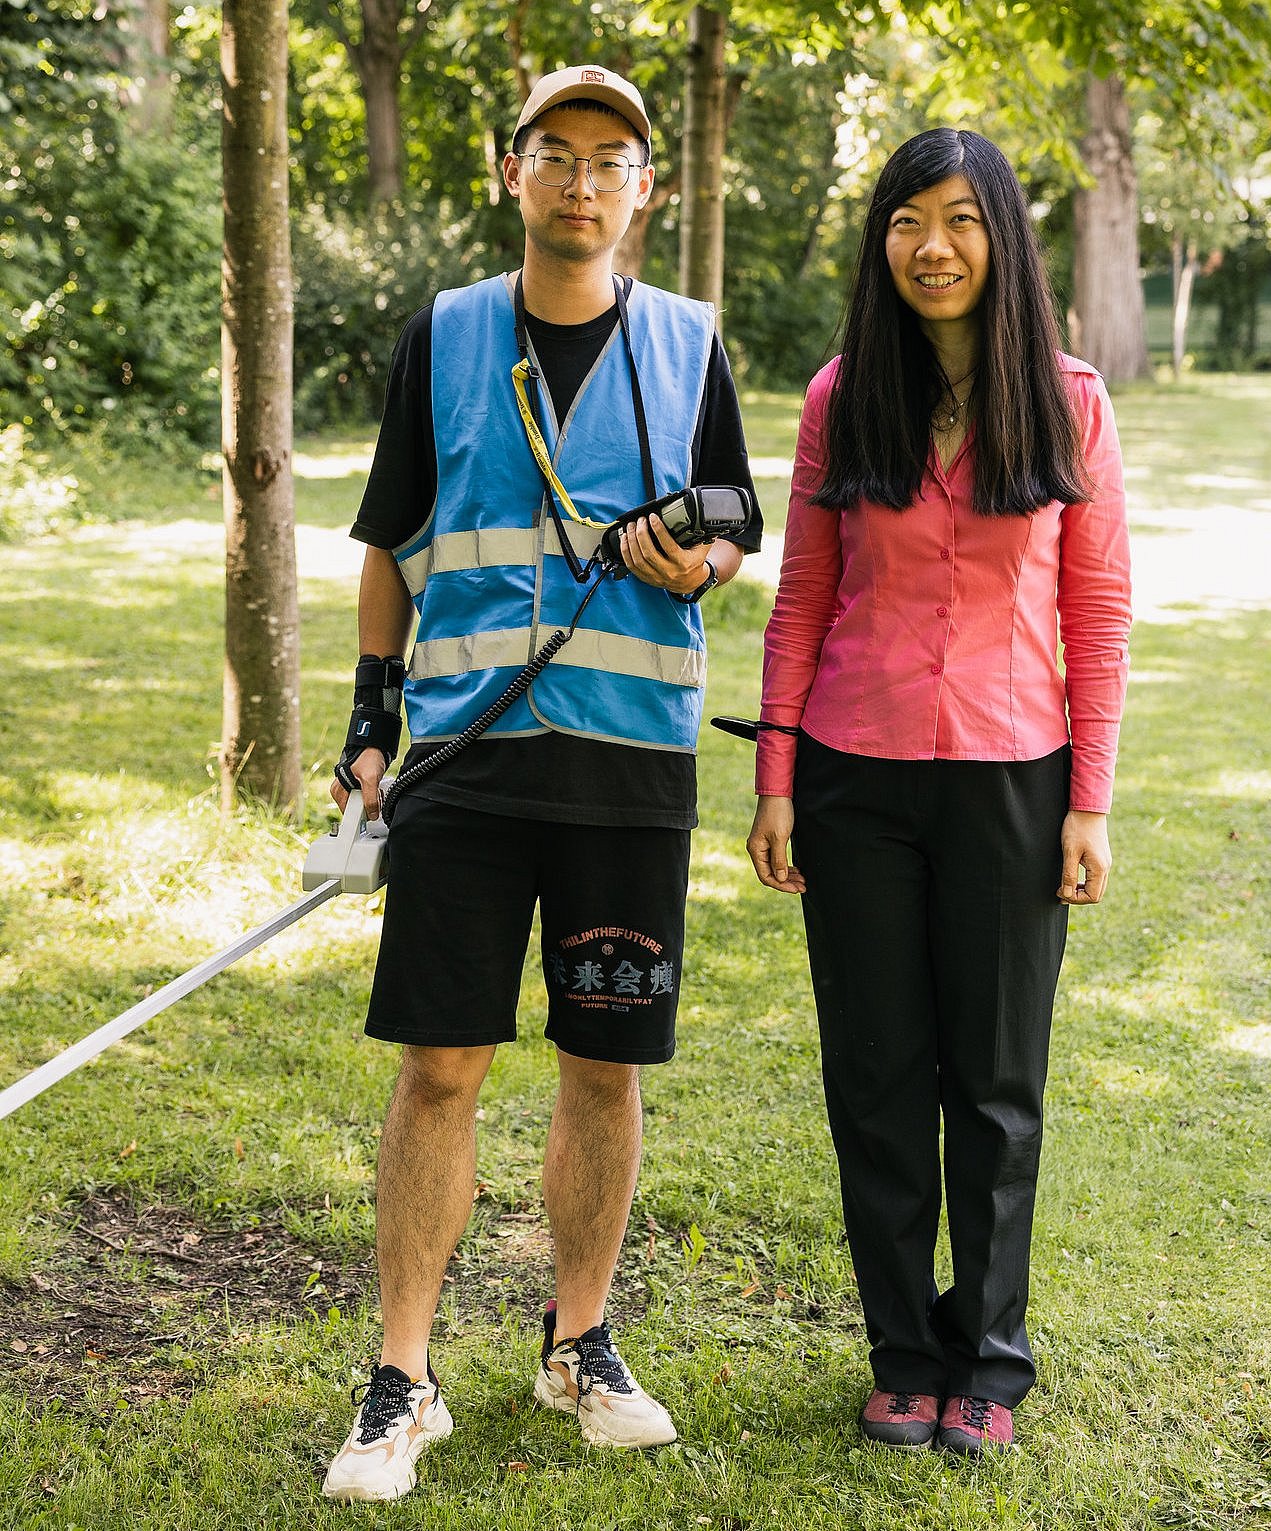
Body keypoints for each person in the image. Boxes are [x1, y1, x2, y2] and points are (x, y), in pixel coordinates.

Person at [322, 65, 761, 1503]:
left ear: (649, 190)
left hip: (628, 763)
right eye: (557, 155)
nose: (583, 181)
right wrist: (372, 718)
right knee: (442, 1063)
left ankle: (581, 1340)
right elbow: (390, 542)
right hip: (464, 757)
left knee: (606, 1063)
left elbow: (733, 526)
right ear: (513, 174)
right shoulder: (444, 334)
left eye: (611, 160)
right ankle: (403, 1376)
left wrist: (688, 557)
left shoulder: (691, 342)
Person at [746, 127, 1130, 1458]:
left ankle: (995, 1358)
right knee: (878, 1078)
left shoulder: (1071, 399)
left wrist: (1090, 801)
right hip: (856, 780)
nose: (934, 246)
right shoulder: (841, 395)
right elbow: (802, 599)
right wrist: (777, 776)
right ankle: (906, 1349)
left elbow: (1100, 611)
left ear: (1002, 236)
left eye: (961, 219)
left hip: (1013, 783)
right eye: (909, 221)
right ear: (883, 242)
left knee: (999, 1086)